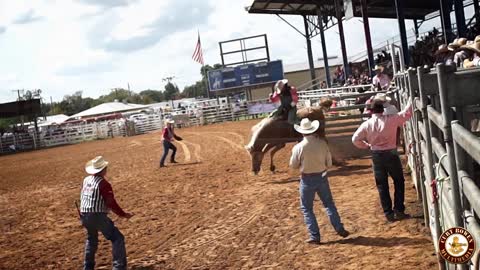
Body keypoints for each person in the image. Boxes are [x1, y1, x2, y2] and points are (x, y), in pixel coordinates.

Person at [352, 99, 413, 222]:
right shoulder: (391, 119)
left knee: (382, 185)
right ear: (382, 110)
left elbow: (355, 139)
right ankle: (399, 210)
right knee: (398, 181)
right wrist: (411, 99)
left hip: (376, 155)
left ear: (371, 111)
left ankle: (388, 213)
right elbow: (407, 113)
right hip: (391, 153)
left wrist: (367, 145)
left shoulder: (367, 124)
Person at [290, 118, 349, 244]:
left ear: (302, 132)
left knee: (307, 208)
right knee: (328, 204)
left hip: (307, 179)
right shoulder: (322, 143)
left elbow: (294, 165)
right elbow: (329, 162)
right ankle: (339, 228)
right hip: (322, 177)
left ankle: (315, 236)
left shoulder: (298, 147)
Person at [79, 156, 134, 270]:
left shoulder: (86, 180)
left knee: (91, 239)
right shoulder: (104, 184)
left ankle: (88, 267)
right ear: (103, 169)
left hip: (84, 215)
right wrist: (123, 214)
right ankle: (119, 267)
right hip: (97, 216)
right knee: (117, 238)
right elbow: (111, 203)